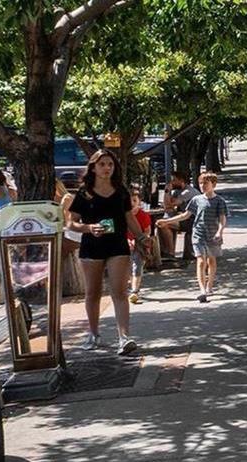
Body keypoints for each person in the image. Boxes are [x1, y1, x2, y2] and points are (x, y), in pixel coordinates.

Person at [66, 151, 152, 355]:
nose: (107, 168)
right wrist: (89, 228)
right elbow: (71, 222)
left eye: (110, 164)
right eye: (102, 164)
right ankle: (93, 333)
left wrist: (141, 237)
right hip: (92, 246)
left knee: (120, 292)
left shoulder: (121, 191)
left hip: (117, 245)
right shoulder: (85, 192)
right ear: (93, 167)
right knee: (92, 292)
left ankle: (124, 337)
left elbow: (129, 217)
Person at [161, 171, 227, 302]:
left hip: (213, 235)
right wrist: (167, 221)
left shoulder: (219, 201)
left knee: (211, 261)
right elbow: (185, 215)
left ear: (213, 184)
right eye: (201, 183)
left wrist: (219, 231)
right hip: (198, 234)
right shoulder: (196, 200)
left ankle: (210, 285)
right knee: (201, 261)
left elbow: (222, 219)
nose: (202, 186)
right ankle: (202, 290)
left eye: (206, 183)